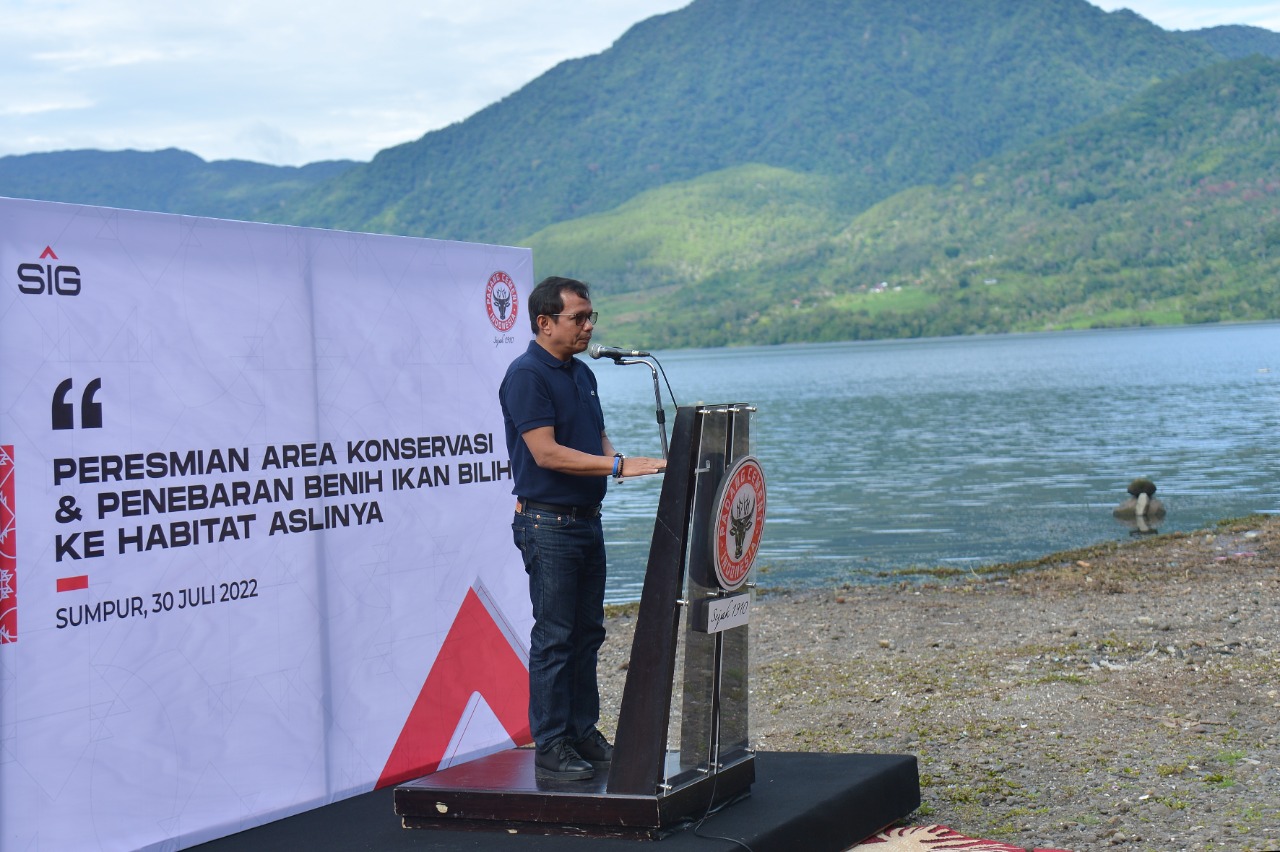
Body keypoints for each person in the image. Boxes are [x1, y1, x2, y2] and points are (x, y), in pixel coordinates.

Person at [499, 276, 667, 782]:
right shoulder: (526, 375)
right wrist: (617, 468)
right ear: (544, 322)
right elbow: (546, 453)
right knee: (555, 637)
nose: (589, 326)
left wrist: (648, 463)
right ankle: (550, 745)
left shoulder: (581, 373)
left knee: (588, 633)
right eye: (579, 318)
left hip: (585, 522)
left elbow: (595, 437)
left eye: (591, 317)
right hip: (547, 524)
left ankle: (580, 730)